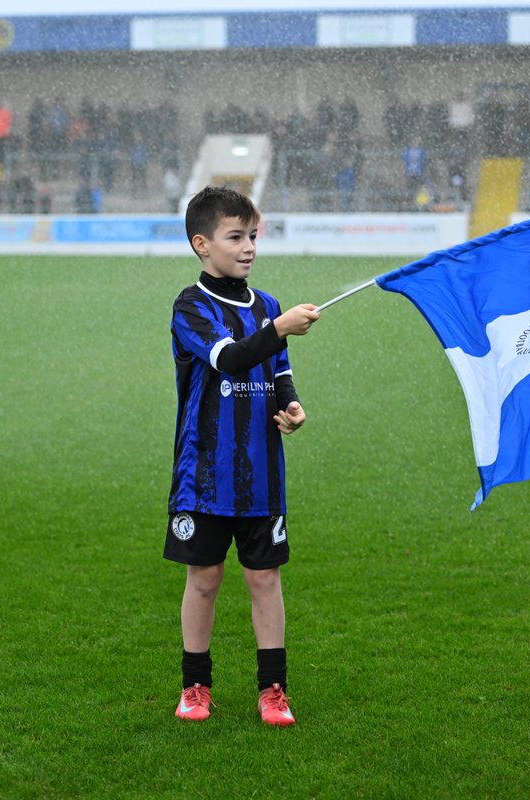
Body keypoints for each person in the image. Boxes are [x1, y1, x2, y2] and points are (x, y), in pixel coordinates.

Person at [165, 186, 320, 727]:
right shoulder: (192, 307)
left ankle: (273, 690)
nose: (249, 246)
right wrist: (276, 330)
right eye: (236, 237)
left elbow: (277, 373)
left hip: (262, 477)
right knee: (204, 579)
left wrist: (292, 405)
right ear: (201, 244)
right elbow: (230, 360)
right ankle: (195, 685)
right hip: (204, 477)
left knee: (264, 580)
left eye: (252, 235)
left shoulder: (268, 305)